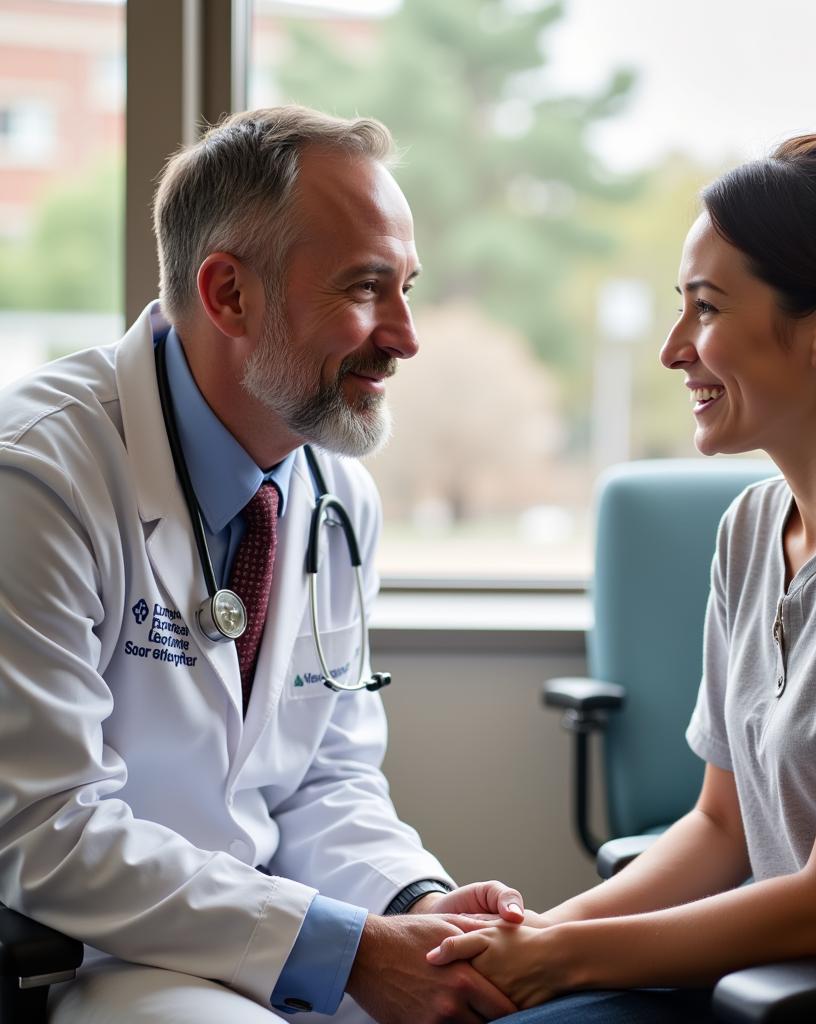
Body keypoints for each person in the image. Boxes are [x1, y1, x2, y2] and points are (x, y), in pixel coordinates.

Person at [428, 134, 816, 1024]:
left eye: (705, 309)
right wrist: (526, 944)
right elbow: (720, 829)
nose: (674, 349)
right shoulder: (752, 525)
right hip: (769, 994)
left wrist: (558, 959)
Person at [0, 106, 528, 1024]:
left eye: (407, 287)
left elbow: (326, 778)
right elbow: (44, 831)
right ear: (228, 295)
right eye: (367, 289)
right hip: (98, 952)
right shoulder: (39, 479)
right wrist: (348, 948)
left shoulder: (333, 492)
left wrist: (412, 908)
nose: (404, 336)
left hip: (277, 925)